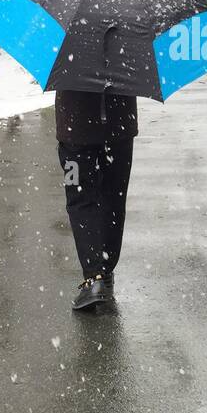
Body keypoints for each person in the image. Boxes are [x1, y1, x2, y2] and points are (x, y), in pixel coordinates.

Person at [56, 88, 138, 310]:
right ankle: (105, 271)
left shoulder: (65, 53)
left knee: (80, 198)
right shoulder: (130, 54)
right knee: (114, 195)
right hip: (120, 122)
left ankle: (95, 276)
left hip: (75, 126)